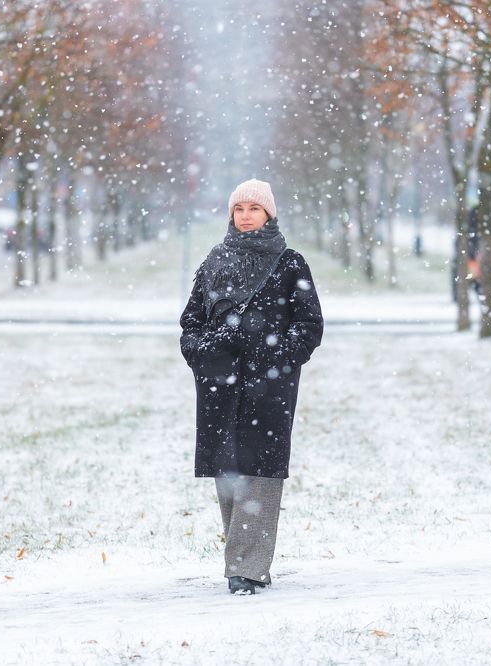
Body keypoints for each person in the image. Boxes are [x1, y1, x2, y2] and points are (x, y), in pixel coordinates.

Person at [179, 178, 324, 595]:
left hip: (269, 386)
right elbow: (191, 320)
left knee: (259, 471)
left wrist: (274, 357)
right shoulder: (214, 260)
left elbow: (309, 325)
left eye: (253, 209)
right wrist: (202, 352)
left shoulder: (289, 263)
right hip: (219, 384)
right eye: (239, 209)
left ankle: (246, 566)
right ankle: (243, 561)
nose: (245, 216)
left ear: (269, 214)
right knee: (228, 470)